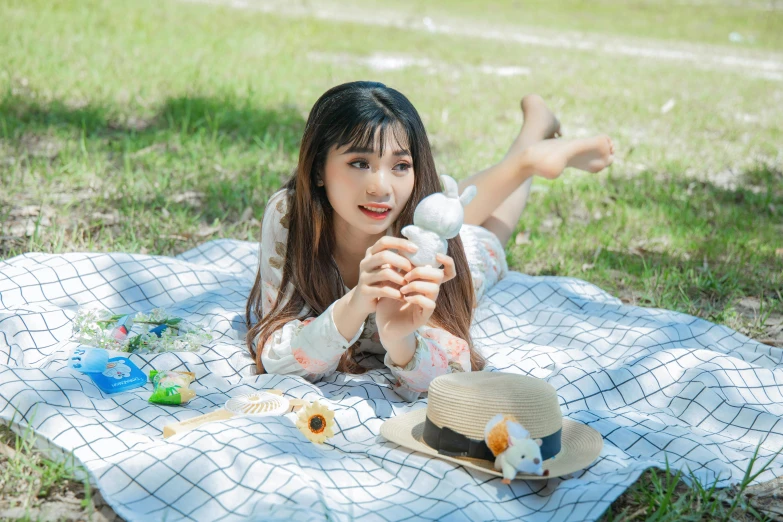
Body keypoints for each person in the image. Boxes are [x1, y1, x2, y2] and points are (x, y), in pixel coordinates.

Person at [245, 81, 613, 401]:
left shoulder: (428, 238)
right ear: (317, 169)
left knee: (485, 236)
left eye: (401, 165)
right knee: (451, 207)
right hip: (421, 216)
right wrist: (355, 304)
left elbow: (454, 369)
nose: (381, 187)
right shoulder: (290, 215)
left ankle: (529, 153)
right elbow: (274, 354)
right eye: (359, 162)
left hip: (462, 251)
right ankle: (532, 143)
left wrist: (402, 341)